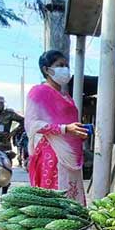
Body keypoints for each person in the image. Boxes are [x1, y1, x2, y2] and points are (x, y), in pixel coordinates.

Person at [26, 50, 89, 204]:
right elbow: (32, 123)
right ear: (46, 70)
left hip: (71, 154)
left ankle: (73, 227)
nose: (65, 69)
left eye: (67, 65)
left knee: (72, 199)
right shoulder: (39, 92)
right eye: (60, 65)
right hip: (52, 152)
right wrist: (64, 129)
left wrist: (78, 134)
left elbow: (71, 123)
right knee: (54, 201)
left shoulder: (67, 97)